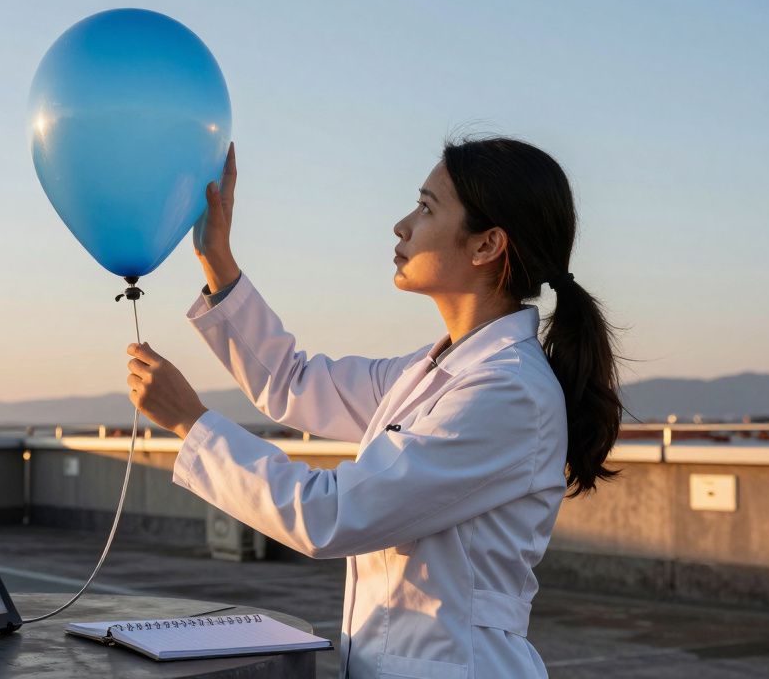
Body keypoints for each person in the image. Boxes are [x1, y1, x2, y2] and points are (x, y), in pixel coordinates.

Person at [126, 138, 623, 678]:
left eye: (427, 208)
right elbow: (295, 382)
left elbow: (332, 516)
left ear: (487, 246)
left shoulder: (508, 393)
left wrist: (191, 423)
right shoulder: (432, 371)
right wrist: (217, 261)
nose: (402, 225)